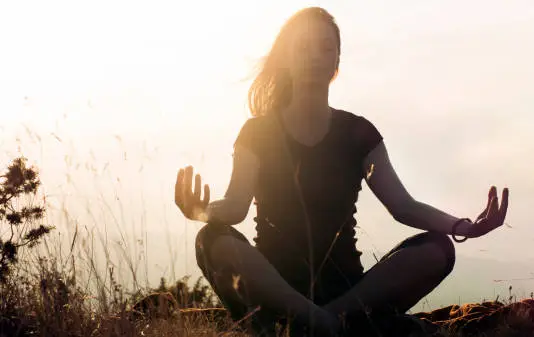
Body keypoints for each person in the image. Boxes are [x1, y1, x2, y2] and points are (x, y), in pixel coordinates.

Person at [174, 6, 509, 337]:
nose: (315, 56)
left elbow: (403, 206)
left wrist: (464, 227)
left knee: (438, 249)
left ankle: (319, 321)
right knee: (211, 240)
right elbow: (235, 206)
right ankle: (320, 322)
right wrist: (200, 211)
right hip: (274, 287)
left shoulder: (357, 132)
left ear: (336, 62)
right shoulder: (258, 132)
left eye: (326, 48)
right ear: (287, 58)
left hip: (346, 290)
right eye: (303, 47)